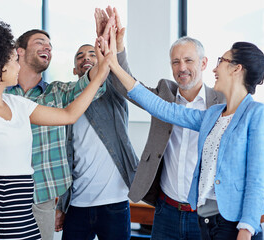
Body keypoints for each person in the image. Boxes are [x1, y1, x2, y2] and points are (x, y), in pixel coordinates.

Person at [0, 17, 114, 240]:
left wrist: (100, 74)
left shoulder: (20, 104)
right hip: (0, 215)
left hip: (26, 213)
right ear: (0, 64)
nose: (17, 65)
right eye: (13, 60)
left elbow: (69, 115)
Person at [104, 28, 264, 240]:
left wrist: (246, 229)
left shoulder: (256, 113)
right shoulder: (213, 114)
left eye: (221, 61)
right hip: (206, 220)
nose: (215, 68)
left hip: (234, 224)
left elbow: (256, 180)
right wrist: (114, 63)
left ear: (237, 69)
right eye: (175, 61)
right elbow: (164, 109)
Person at [94, 7, 225, 239]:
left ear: (204, 63)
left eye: (188, 60)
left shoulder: (221, 103)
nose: (181, 68)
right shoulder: (164, 94)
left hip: (205, 214)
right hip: (167, 211)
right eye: (175, 62)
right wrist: (118, 47)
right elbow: (128, 87)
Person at [54, 40, 139, 240]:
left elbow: (126, 78)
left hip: (114, 203)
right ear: (74, 70)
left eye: (92, 54)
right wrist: (61, 205)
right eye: (80, 56)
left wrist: (116, 49)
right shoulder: (68, 102)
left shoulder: (114, 91)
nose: (86, 58)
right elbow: (66, 160)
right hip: (77, 204)